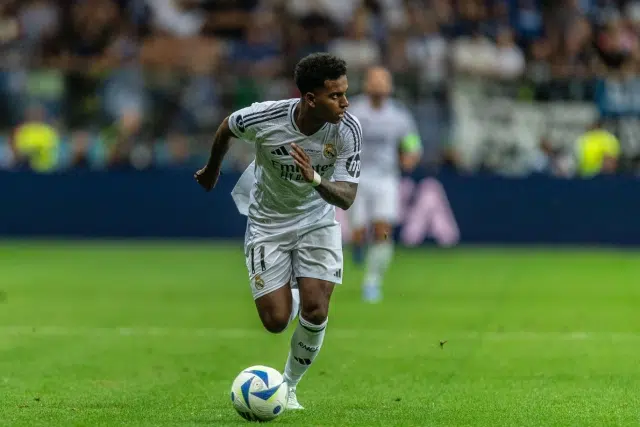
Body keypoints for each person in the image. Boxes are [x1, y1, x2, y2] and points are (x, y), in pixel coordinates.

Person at [194, 53, 362, 410]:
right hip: (267, 224)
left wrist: (315, 179)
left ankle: (289, 386)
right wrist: (212, 169)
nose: (345, 103)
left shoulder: (348, 129)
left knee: (317, 310)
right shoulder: (266, 116)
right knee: (275, 321)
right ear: (310, 99)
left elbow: (346, 198)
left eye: (345, 93)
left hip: (316, 221)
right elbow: (228, 126)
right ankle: (295, 293)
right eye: (336, 96)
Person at [346, 66, 422, 303]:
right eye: (374, 81)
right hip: (356, 176)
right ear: (367, 85)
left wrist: (410, 156)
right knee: (358, 232)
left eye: (383, 81)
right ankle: (357, 244)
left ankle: (372, 282)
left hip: (386, 177)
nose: (379, 86)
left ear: (389, 87)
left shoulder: (399, 115)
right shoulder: (353, 110)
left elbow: (411, 142)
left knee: (383, 231)